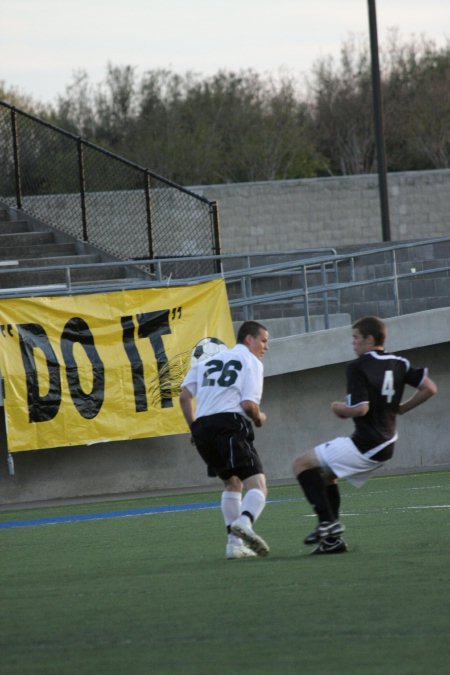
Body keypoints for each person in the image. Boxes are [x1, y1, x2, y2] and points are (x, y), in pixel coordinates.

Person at [292, 315, 437, 555]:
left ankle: (328, 523)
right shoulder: (400, 362)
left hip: (367, 443)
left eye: (356, 338)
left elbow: (361, 408)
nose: (353, 343)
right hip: (387, 442)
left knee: (301, 464)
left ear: (370, 339)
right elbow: (430, 388)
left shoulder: (357, 366)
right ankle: (333, 542)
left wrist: (339, 408)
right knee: (325, 476)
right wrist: (401, 408)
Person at [179, 320, 270, 560]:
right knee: (258, 485)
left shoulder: (206, 361)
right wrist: (259, 418)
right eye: (263, 340)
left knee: (232, 483)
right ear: (248, 339)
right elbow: (248, 405)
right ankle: (244, 522)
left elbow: (184, 396)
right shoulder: (252, 362)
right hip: (229, 425)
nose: (265, 347)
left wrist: (194, 428)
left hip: (203, 430)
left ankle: (234, 546)